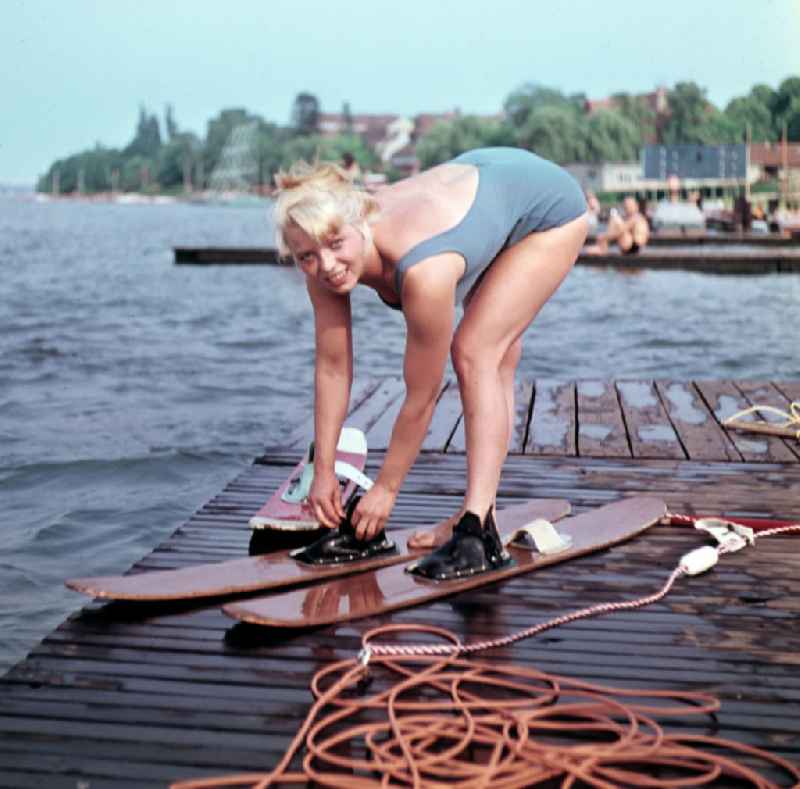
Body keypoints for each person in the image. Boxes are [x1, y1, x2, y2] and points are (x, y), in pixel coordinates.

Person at [273, 147, 588, 580]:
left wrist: (385, 490)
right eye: (306, 256)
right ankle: (474, 516)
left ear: (357, 223)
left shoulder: (425, 271)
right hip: (483, 191)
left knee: (477, 351)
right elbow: (332, 367)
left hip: (546, 207)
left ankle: (479, 532)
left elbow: (422, 396)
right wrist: (322, 471)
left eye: (335, 245)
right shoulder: (322, 256)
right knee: (489, 355)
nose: (325, 264)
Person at [585, 195, 649, 255]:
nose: (626, 209)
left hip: (634, 247)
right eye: (625, 207)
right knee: (615, 220)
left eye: (628, 206)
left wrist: (604, 237)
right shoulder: (633, 218)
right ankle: (602, 246)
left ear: (636, 206)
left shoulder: (636, 217)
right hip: (633, 246)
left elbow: (621, 230)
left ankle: (602, 248)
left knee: (615, 219)